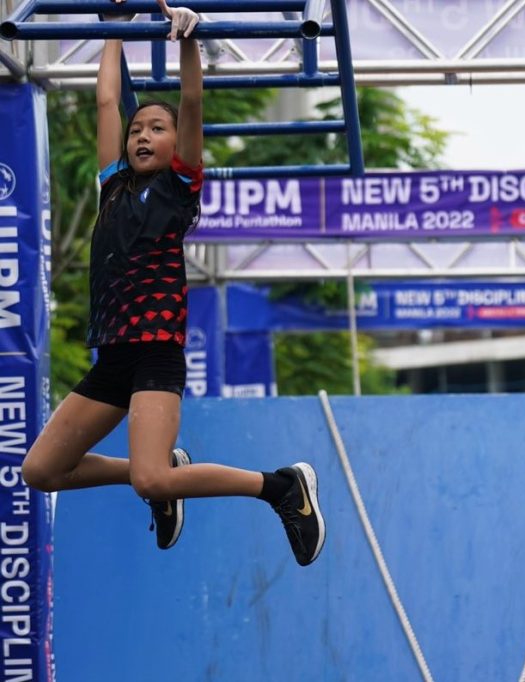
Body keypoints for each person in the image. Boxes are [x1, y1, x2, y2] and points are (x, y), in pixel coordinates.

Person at [21, 0, 325, 566]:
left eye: (155, 130)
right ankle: (165, 473)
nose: (141, 135)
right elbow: (107, 99)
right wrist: (113, 32)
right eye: (137, 130)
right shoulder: (112, 185)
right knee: (41, 471)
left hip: (157, 354)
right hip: (112, 357)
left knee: (153, 482)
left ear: (173, 144)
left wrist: (188, 40)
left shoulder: (178, 189)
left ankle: (281, 486)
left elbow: (190, 101)